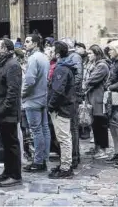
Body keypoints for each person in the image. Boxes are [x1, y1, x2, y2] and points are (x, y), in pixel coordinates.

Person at [0, 38, 23, 187]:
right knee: (6, 143)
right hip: (1, 112)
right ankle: (8, 171)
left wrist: (2, 109)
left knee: (12, 144)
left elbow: (12, 92)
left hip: (8, 113)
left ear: (6, 49)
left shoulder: (12, 65)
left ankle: (15, 174)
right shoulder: (3, 64)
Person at [21, 34, 50, 173]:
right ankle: (43, 158)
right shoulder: (44, 57)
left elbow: (30, 80)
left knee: (36, 130)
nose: (25, 44)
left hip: (32, 99)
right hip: (42, 97)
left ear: (36, 43)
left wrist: (22, 94)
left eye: (27, 42)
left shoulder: (33, 58)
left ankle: (38, 161)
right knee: (44, 129)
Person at [48, 41, 76, 179]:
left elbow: (58, 91)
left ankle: (66, 167)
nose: (50, 52)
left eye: (52, 51)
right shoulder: (64, 67)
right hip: (63, 107)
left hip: (61, 108)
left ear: (57, 54)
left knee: (64, 138)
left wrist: (51, 105)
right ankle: (64, 163)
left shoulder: (61, 69)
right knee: (63, 137)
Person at [83, 45, 110, 159]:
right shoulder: (92, 65)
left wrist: (84, 85)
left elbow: (92, 79)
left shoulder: (102, 66)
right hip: (92, 97)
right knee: (94, 124)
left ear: (96, 54)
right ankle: (97, 147)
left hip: (98, 99)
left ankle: (103, 149)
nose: (88, 55)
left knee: (100, 124)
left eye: (90, 53)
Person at [60, 38, 82, 169]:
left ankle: (74, 156)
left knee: (73, 128)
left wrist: (70, 89)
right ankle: (73, 155)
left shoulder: (75, 57)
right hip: (71, 96)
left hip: (72, 97)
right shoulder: (71, 57)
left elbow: (78, 77)